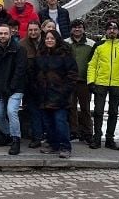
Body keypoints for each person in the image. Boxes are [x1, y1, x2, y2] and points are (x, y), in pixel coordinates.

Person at [87, 21, 119, 150]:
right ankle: (96, 138)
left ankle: (109, 138)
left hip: (117, 83)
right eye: (109, 28)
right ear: (106, 31)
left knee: (113, 112)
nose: (112, 31)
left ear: (118, 31)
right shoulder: (99, 45)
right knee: (98, 112)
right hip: (100, 82)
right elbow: (92, 65)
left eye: (114, 28)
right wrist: (91, 82)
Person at [34, 30, 78, 159]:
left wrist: (65, 91)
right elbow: (35, 73)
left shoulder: (65, 54)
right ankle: (54, 145)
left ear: (57, 39)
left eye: (52, 38)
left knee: (60, 122)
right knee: (48, 123)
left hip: (60, 95)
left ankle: (65, 146)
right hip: (44, 94)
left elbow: (72, 74)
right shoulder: (41, 54)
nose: (49, 40)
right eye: (47, 38)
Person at [0, 24, 27, 155]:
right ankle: (6, 134)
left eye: (6, 33)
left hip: (15, 88)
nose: (3, 36)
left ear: (10, 34)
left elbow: (20, 70)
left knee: (11, 112)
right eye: (1, 34)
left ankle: (16, 139)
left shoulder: (19, 49)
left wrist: (11, 86)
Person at [65, 18, 95, 144]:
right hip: (70, 81)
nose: (77, 29)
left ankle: (87, 132)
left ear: (83, 29)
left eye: (80, 27)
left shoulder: (91, 44)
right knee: (71, 107)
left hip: (84, 81)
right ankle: (73, 131)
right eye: (74, 27)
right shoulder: (65, 43)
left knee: (85, 108)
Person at [19, 20, 44, 148]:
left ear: (40, 30)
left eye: (35, 30)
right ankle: (36, 137)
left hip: (46, 84)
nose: (33, 32)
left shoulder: (48, 42)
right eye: (30, 30)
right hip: (30, 85)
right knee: (33, 112)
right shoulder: (22, 44)